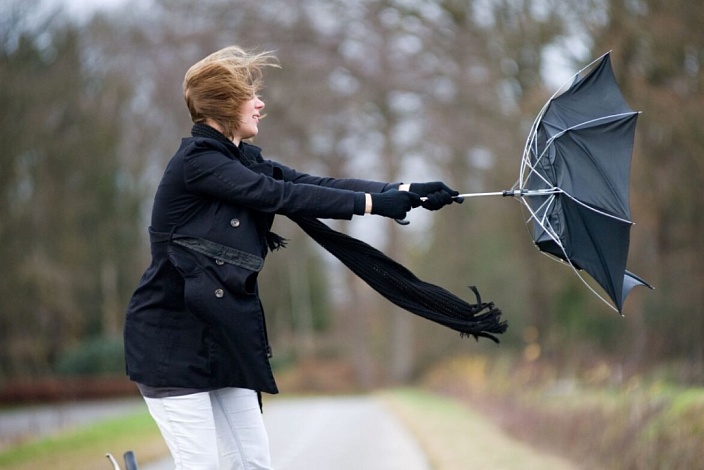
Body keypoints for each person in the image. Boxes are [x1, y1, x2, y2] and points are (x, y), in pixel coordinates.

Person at [123, 45, 460, 470]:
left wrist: (403, 189)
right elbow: (279, 195)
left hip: (224, 338)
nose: (261, 103)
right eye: (251, 95)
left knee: (253, 462)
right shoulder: (198, 164)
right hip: (171, 342)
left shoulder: (241, 159)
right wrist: (374, 205)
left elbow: (308, 181)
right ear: (226, 104)